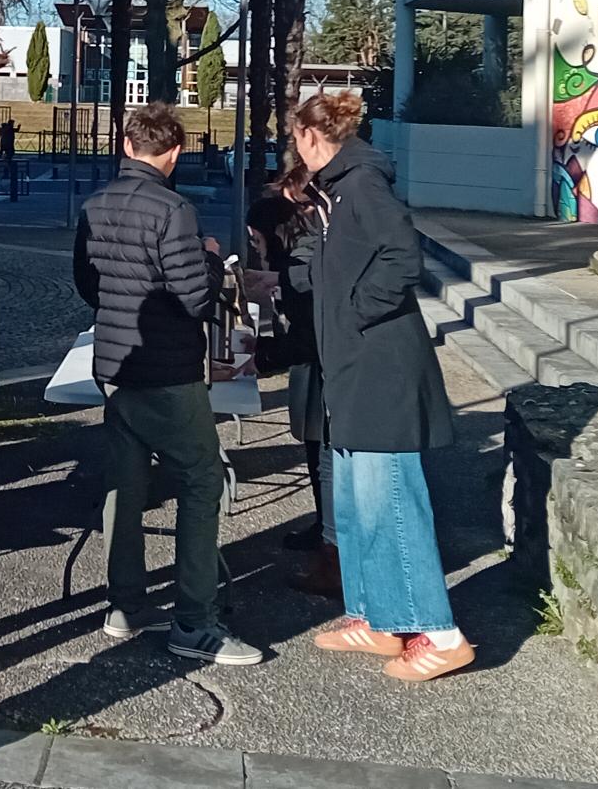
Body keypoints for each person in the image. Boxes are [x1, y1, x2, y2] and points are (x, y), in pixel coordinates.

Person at [73, 103, 263, 668]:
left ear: (127, 147)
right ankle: (194, 621)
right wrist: (207, 260)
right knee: (201, 481)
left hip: (114, 365)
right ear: (174, 152)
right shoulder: (174, 210)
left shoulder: (94, 204)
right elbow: (196, 299)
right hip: (168, 367)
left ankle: (124, 604)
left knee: (125, 486)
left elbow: (87, 283)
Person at [291, 92, 472, 682]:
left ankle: (441, 634)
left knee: (393, 502)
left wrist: (354, 314)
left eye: (296, 139)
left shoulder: (362, 185)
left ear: (313, 138)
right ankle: (379, 619)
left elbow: (402, 256)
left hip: (381, 372)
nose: (294, 150)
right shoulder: (336, 193)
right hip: (352, 369)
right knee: (358, 503)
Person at [245, 164, 338, 598]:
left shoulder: (301, 260)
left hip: (326, 367)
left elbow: (305, 338)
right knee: (314, 447)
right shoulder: (300, 254)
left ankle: (330, 545)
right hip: (316, 363)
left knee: (322, 453)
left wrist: (258, 359)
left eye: (255, 239)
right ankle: (323, 530)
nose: (253, 248)